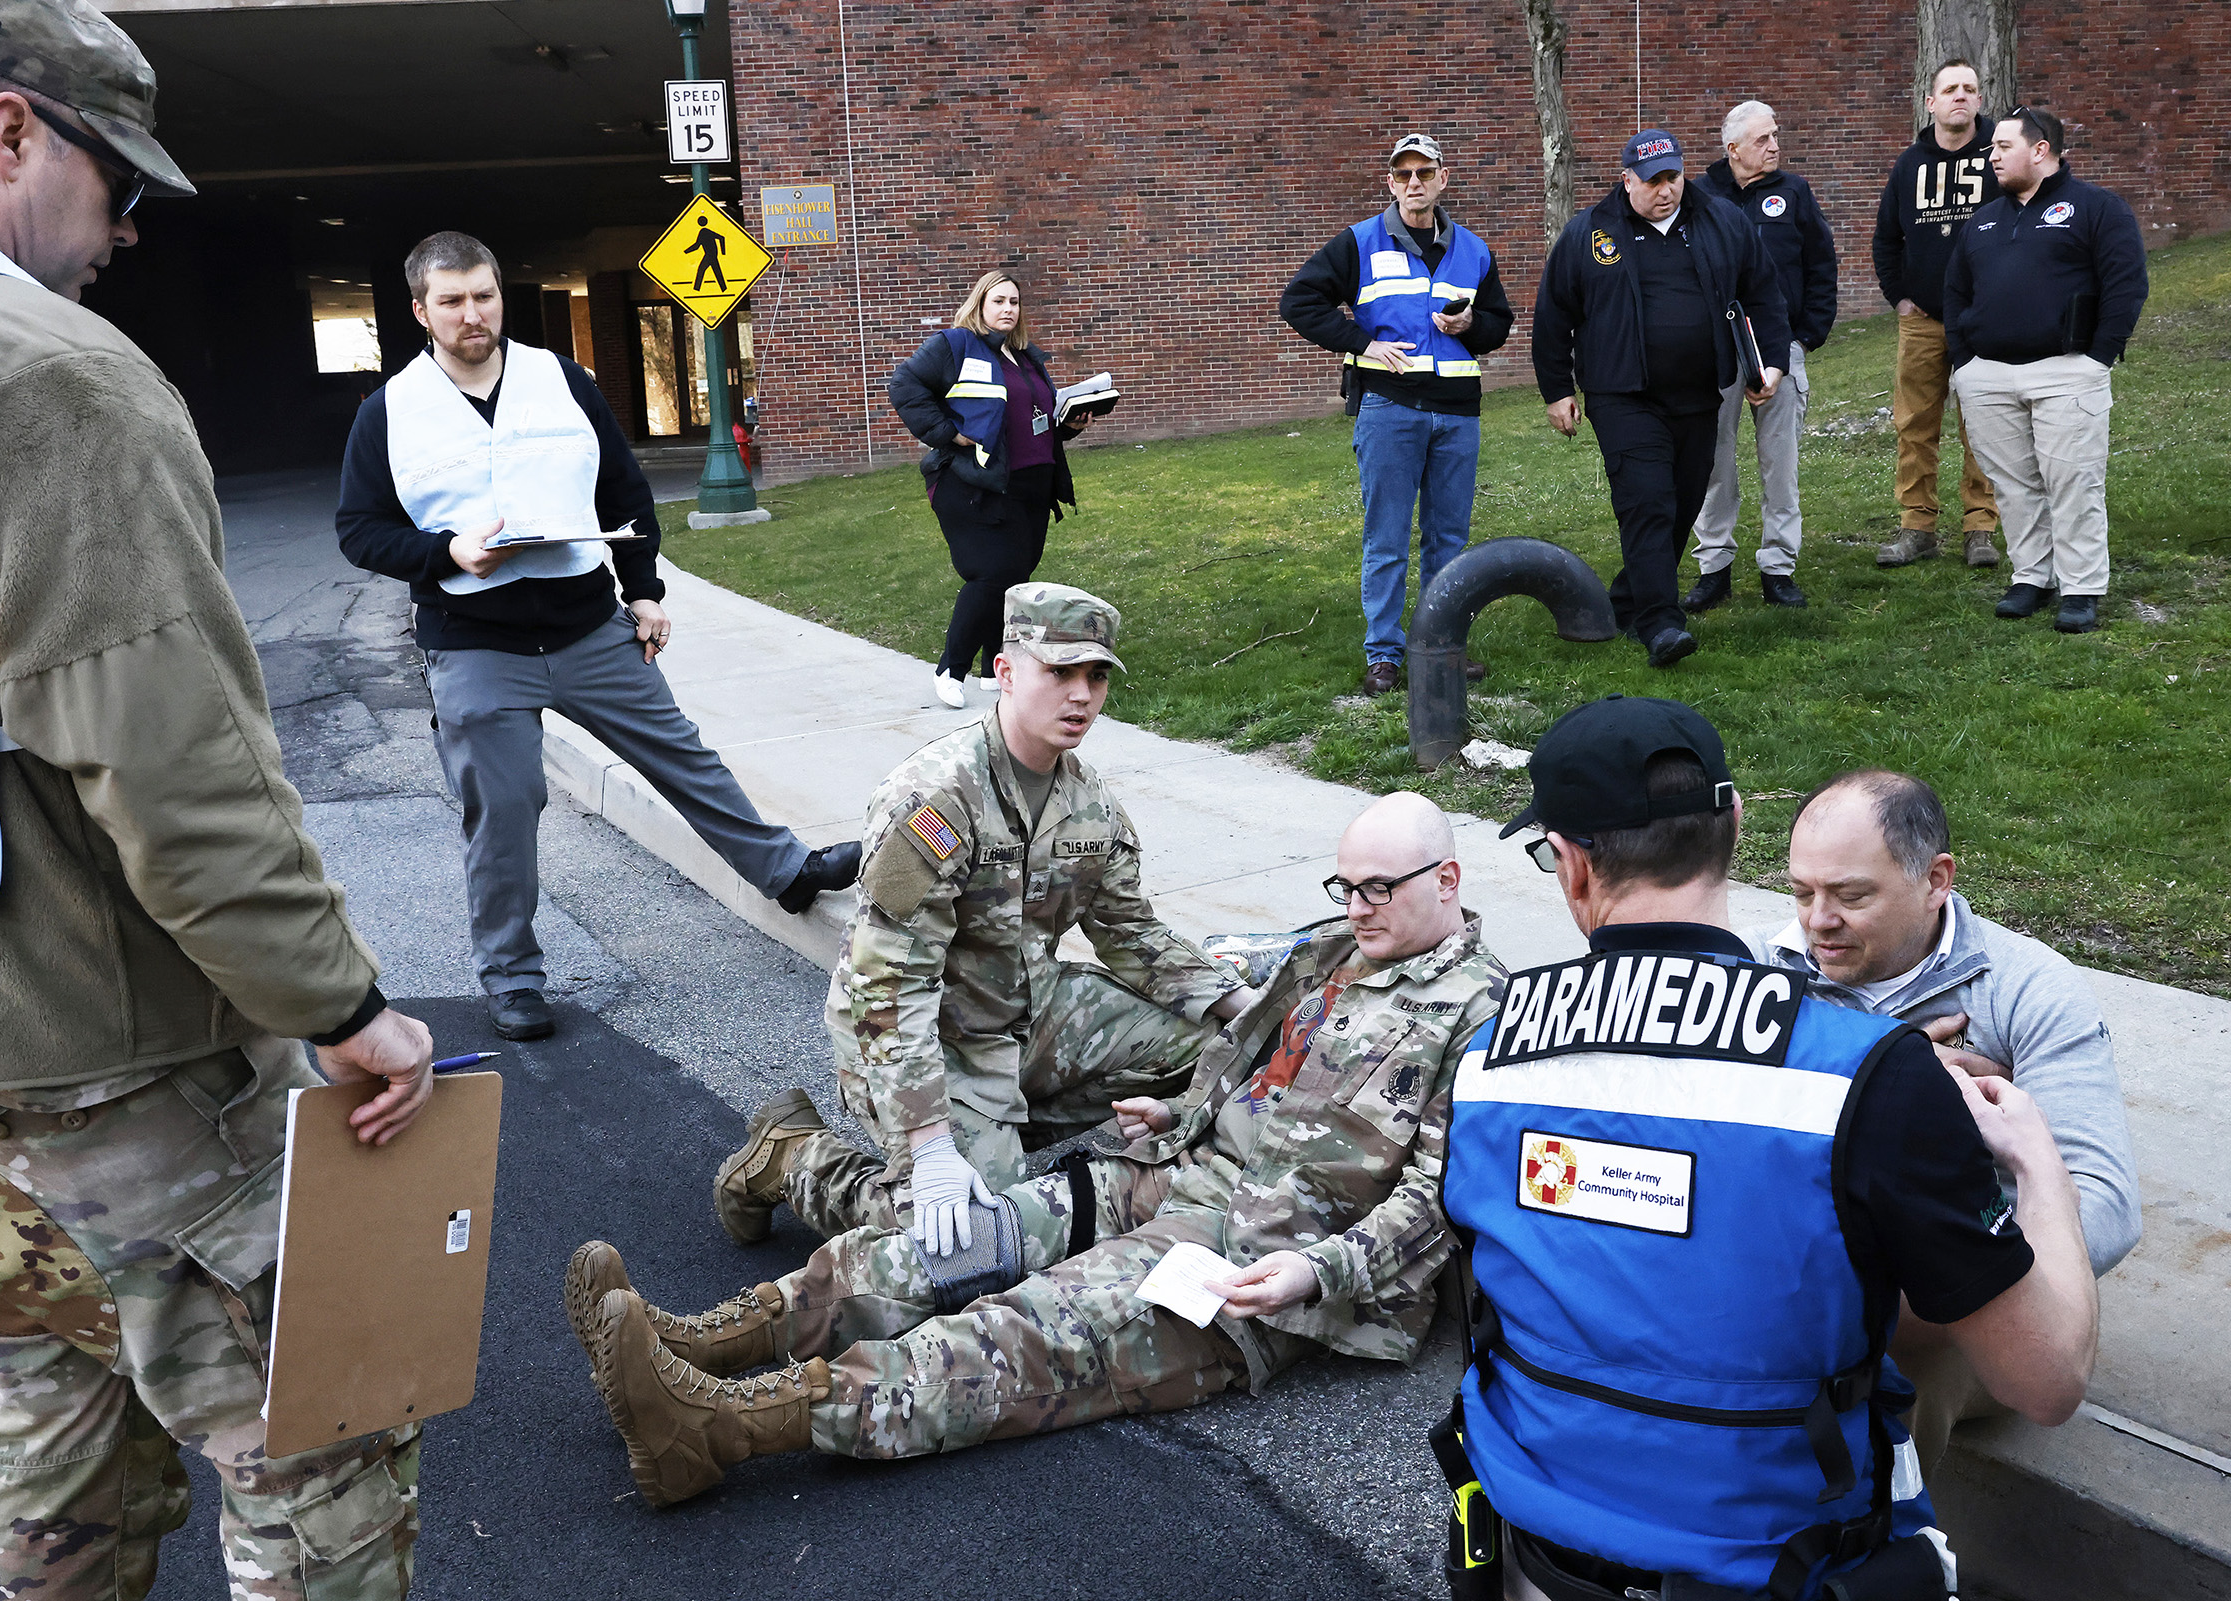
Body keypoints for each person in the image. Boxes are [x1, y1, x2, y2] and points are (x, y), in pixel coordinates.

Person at [0, 3, 444, 1594]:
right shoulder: (19, 367)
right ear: (12, 129)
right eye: (119, 181)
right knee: (321, 1430)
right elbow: (169, 763)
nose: (124, 229)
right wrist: (343, 1002)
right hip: (104, 1054)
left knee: (45, 1416)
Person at [567, 791, 1505, 1508]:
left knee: (1022, 1333)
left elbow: (1439, 1196)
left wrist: (1317, 1270)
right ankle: (705, 1338)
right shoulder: (1333, 952)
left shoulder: (1483, 1014)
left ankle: (722, 1427)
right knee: (957, 1240)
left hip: (1256, 1258)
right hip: (1174, 1172)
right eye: (1346, 885)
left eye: (1380, 888)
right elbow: (1264, 1070)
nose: (1359, 904)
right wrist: (1180, 1110)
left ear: (1449, 881)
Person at [1441, 695, 2097, 1599]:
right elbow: (2049, 1379)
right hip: (1785, 1568)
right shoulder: (1864, 1076)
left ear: (1571, 862)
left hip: (1533, 1547)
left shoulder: (1487, 1059)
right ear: (1738, 825)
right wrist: (2034, 1156)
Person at [338, 231, 858, 1041]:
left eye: (483, 294)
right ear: (420, 311)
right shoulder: (390, 412)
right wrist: (445, 552)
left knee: (683, 755)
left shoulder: (564, 381)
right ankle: (511, 978)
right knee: (503, 809)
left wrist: (644, 591)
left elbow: (624, 489)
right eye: (452, 301)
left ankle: (786, 873)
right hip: (476, 646)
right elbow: (359, 530)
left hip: (587, 628)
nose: (472, 313)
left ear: (499, 295)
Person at [712, 584, 1253, 1253]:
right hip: (931, 1036)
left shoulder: (1089, 804)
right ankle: (794, 1157)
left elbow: (1131, 934)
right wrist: (932, 1144)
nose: (1080, 694)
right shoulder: (937, 799)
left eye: (1096, 675)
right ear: (1004, 671)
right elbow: (888, 985)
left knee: (1216, 1049)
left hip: (1027, 1012)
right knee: (973, 1242)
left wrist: (1249, 1008)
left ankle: (998, 1136)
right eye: (1058, 671)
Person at [1746, 768, 2139, 1469]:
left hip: (1959, 1310)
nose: (1816, 921)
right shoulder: (1762, 976)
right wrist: (1892, 1078)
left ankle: (1886, 1556)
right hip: (1801, 1283)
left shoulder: (2028, 990)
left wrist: (1932, 1266)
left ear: (1936, 879)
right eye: (1802, 891)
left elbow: (2106, 1204)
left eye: (1851, 895)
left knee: (1902, 1364)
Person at [1532, 130, 1792, 669]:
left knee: (1682, 502)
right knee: (1646, 501)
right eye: (1652, 181)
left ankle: (1627, 601)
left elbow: (1763, 294)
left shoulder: (1721, 221)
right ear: (1626, 180)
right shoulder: (1589, 233)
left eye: (1673, 177)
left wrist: (1771, 364)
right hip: (1621, 393)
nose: (1665, 190)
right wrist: (1557, 390)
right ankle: (1660, 622)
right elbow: (1554, 315)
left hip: (1701, 391)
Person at [1279, 133, 1516, 694]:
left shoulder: (1474, 250)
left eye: (1425, 173)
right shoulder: (1361, 242)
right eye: (1404, 174)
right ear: (1390, 182)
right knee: (1386, 538)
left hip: (1458, 413)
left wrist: (1470, 327)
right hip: (1390, 408)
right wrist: (1361, 344)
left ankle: (1440, 649)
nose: (1415, 183)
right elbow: (1300, 301)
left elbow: (1499, 325)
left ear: (1443, 179)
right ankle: (1384, 654)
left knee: (1448, 539)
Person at [1945, 106, 2149, 634]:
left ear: (2041, 151)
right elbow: (1956, 293)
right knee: (2013, 485)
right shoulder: (1984, 219)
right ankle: (2032, 576)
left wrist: (2099, 356)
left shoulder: (2097, 208)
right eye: (1991, 148)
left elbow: (2125, 284)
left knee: (2073, 482)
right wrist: (1965, 361)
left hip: (2066, 371)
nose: (1990, 156)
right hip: (1988, 375)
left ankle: (2081, 587)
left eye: (2002, 147)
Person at [888, 271, 1095, 709]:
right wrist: (948, 433)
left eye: (1014, 302)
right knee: (989, 575)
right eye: (998, 300)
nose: (1007, 309)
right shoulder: (954, 345)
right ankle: (950, 667)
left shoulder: (1025, 356)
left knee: (1013, 580)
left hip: (1031, 483)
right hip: (972, 483)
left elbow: (1031, 421)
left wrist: (1069, 425)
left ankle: (992, 668)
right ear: (980, 304)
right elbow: (904, 385)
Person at [1687, 100, 1836, 613]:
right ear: (1732, 149)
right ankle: (1714, 568)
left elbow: (1821, 263)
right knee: (1714, 461)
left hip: (1780, 346)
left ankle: (1778, 567)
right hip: (1716, 351)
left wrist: (1806, 336)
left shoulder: (1794, 193)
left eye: (1775, 136)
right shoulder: (1698, 196)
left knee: (1781, 465)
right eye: (1762, 139)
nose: (1774, 146)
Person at [1872, 59, 2001, 571]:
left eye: (1970, 89)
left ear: (1979, 101)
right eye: (1950, 89)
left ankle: (1980, 528)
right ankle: (1917, 526)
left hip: (1985, 321)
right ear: (1931, 102)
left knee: (1985, 425)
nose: (1960, 97)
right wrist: (1899, 298)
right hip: (1923, 319)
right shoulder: (1909, 165)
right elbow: (1886, 238)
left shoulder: (2000, 155)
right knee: (1915, 423)